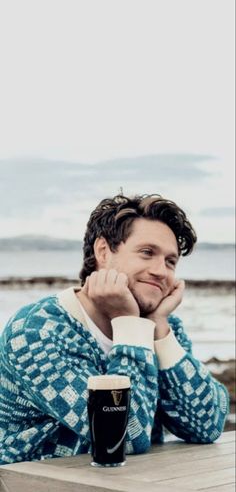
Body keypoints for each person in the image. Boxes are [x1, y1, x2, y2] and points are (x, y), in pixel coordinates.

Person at [0, 194, 229, 464]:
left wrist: (162, 333)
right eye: (147, 252)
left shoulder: (163, 326)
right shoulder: (37, 331)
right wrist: (129, 323)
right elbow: (125, 439)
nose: (161, 271)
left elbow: (208, 426)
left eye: (171, 261)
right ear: (103, 252)